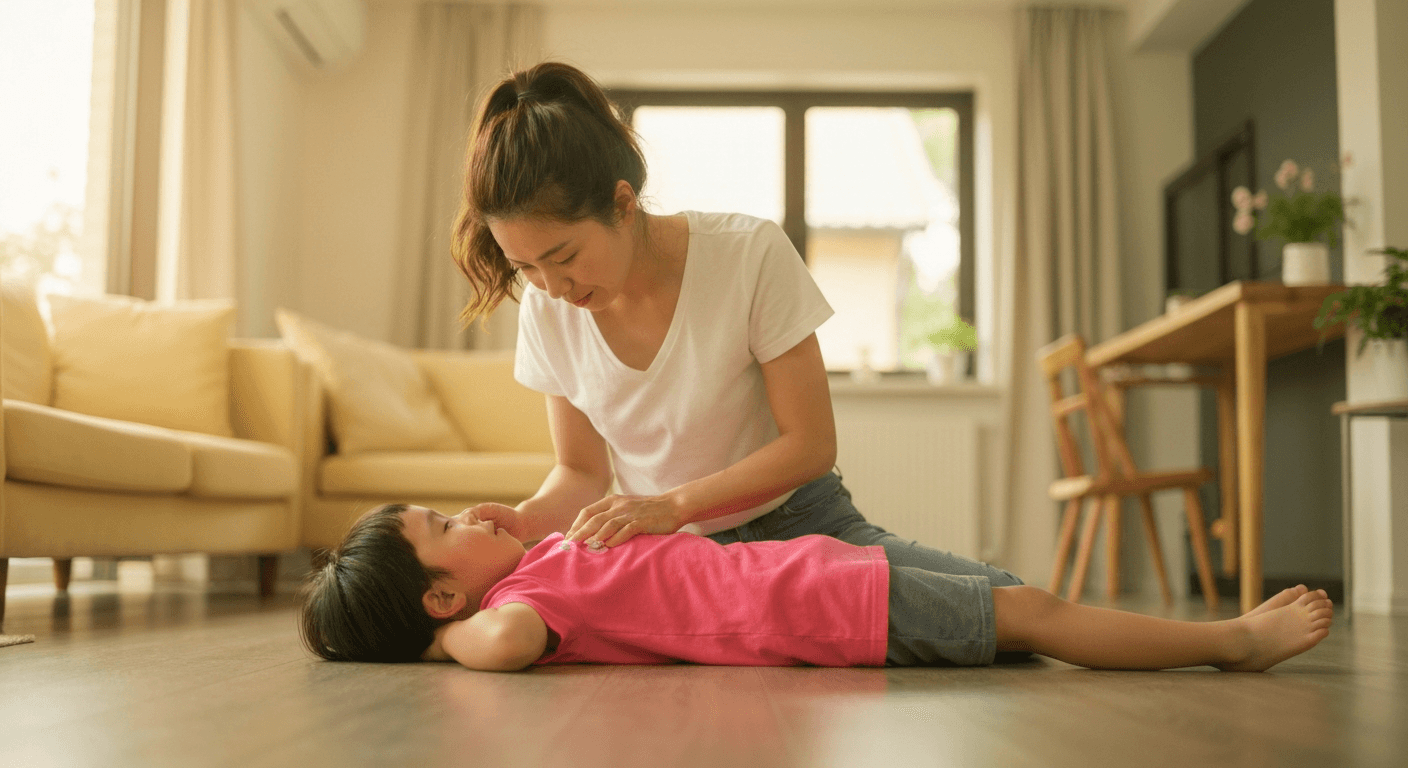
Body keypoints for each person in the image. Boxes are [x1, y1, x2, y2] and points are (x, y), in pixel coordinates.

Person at [451, 59, 1030, 599]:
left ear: (622, 206)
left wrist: (673, 504)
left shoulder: (747, 253)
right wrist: (529, 519)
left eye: (564, 256)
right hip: (676, 560)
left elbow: (810, 445)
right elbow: (581, 470)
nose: (552, 287)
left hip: (802, 525)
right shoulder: (546, 311)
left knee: (1005, 601)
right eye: (525, 267)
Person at [299, 504, 1334, 673]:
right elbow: (510, 649)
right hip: (824, 606)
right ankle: (1227, 640)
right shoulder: (518, 610)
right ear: (442, 599)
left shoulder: (529, 565)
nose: (462, 514)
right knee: (1034, 615)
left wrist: (507, 532)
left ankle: (1208, 636)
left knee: (1013, 604)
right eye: (442, 529)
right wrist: (446, 646)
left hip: (811, 571)